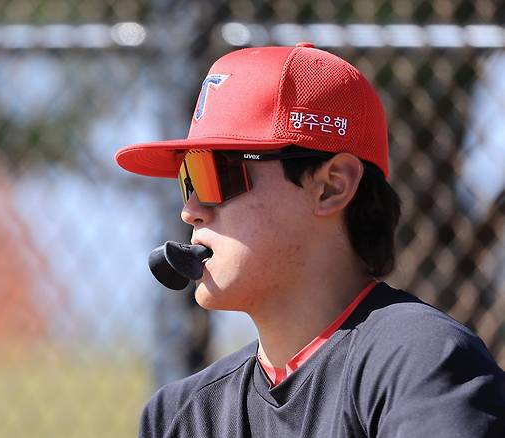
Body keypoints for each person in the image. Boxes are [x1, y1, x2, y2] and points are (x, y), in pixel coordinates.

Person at [115, 43, 505, 437]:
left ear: (332, 186)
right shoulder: (181, 414)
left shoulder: (419, 361)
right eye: (189, 179)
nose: (191, 210)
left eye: (216, 173)